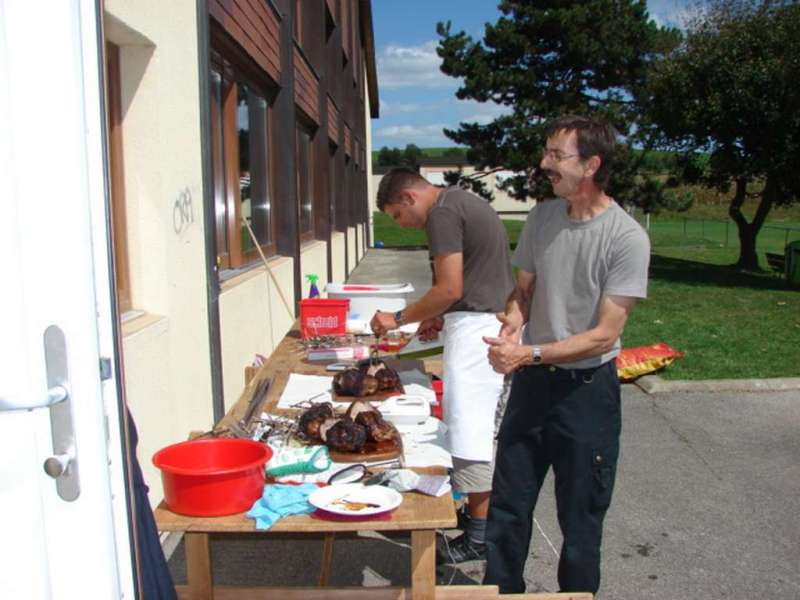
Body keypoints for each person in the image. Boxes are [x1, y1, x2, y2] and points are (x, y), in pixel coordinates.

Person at [481, 115, 650, 594]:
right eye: (547, 153)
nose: (544, 164)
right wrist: (513, 323)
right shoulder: (542, 217)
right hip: (532, 388)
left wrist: (527, 353)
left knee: (580, 523)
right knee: (508, 509)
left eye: (557, 156)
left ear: (592, 164)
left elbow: (603, 335)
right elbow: (523, 291)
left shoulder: (626, 238)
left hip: (587, 393)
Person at [370, 167, 514, 563]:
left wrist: (398, 318)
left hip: (479, 332)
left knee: (471, 433)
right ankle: (475, 521)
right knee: (471, 428)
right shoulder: (460, 200)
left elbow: (449, 287)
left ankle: (478, 538)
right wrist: (438, 314)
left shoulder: (442, 214)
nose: (404, 224)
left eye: (398, 215)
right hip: (482, 321)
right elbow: (460, 286)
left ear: (409, 197)